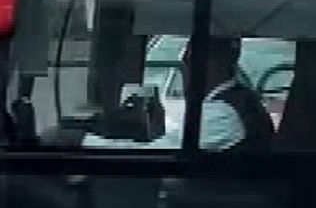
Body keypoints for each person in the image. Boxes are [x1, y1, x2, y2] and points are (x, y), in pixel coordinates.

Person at [82, 35, 275, 152]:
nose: (184, 69)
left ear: (212, 63)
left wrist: (82, 141)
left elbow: (156, 155)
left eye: (188, 59)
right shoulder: (237, 102)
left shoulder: (223, 113)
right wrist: (158, 127)